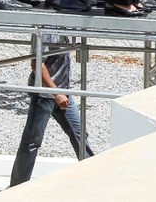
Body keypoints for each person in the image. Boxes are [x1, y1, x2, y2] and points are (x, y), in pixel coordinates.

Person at [9, 34, 94, 186]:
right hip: (45, 95)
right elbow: (36, 64)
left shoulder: (62, 28)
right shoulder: (47, 31)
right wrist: (56, 92)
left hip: (62, 94)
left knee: (80, 134)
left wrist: (60, 92)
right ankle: (17, 186)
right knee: (32, 142)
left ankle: (95, 178)